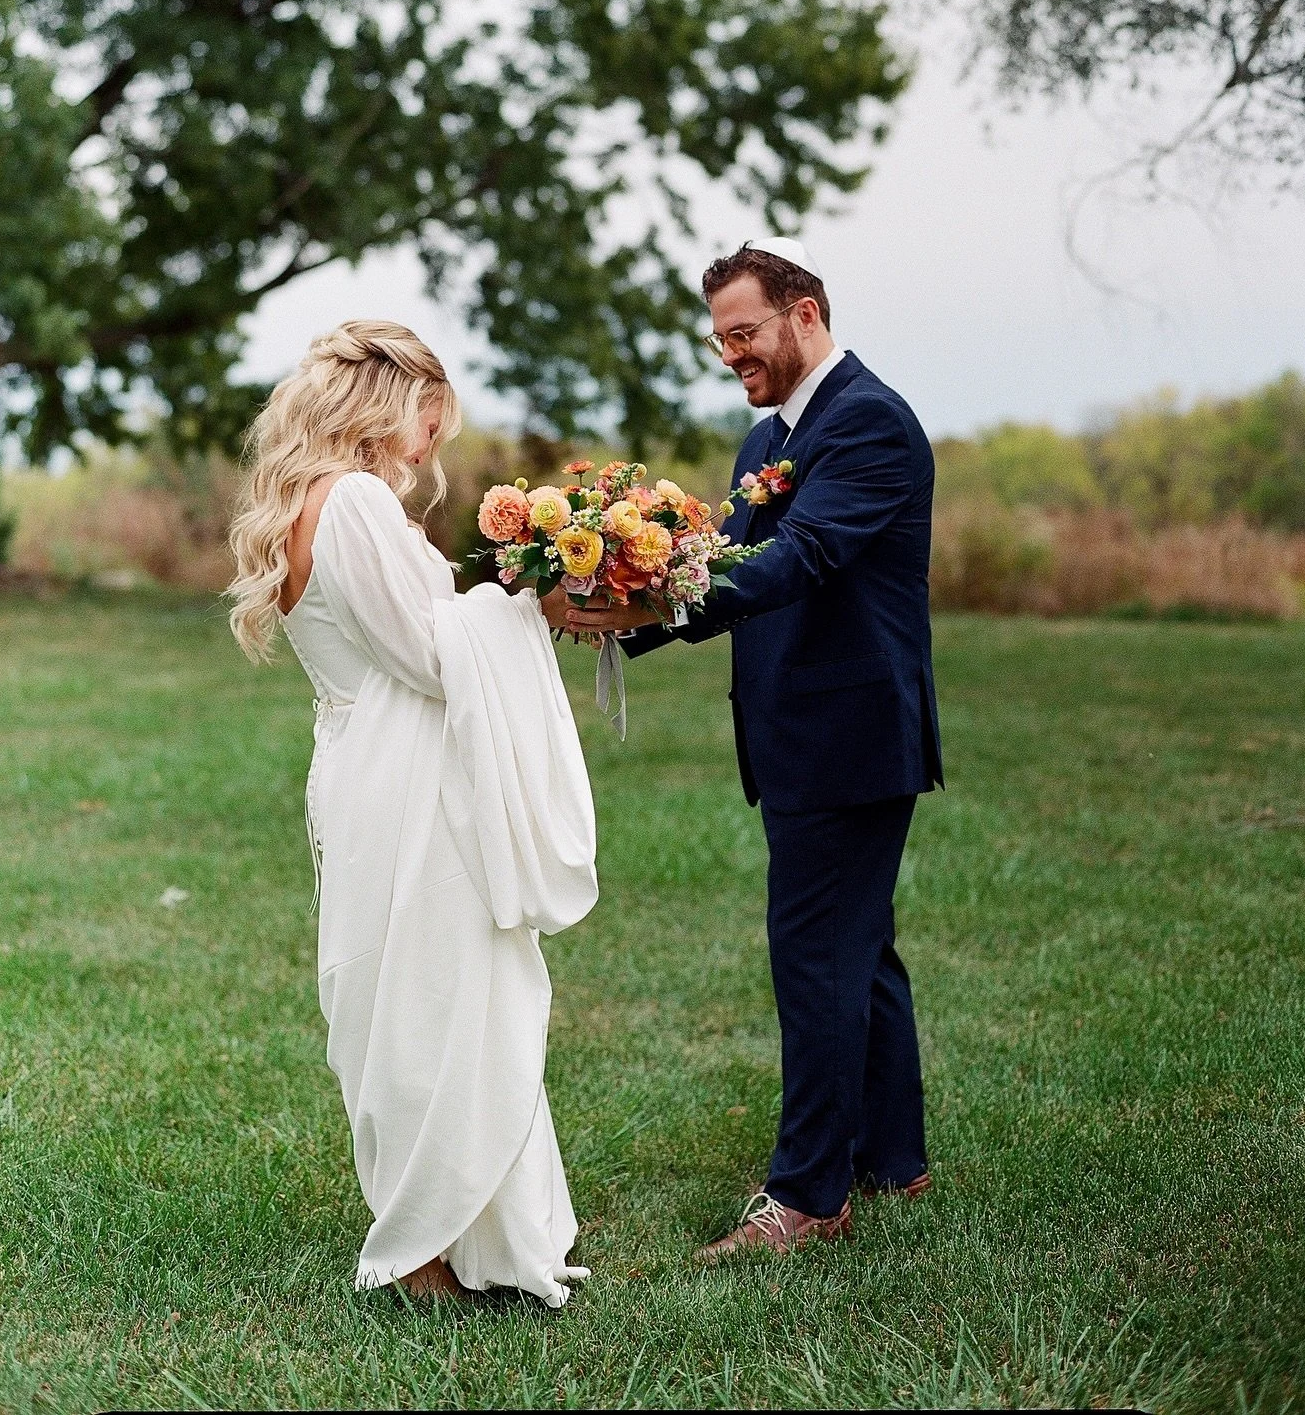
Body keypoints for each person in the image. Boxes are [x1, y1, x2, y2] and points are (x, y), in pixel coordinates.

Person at [566, 239, 943, 1262]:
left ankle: (809, 1197)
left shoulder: (867, 422)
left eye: (745, 332)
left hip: (849, 734)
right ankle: (889, 1158)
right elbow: (732, 569)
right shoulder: (766, 438)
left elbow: (803, 557)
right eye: (719, 339)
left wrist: (658, 594)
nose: (731, 354)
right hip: (799, 735)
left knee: (817, 960)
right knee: (858, 953)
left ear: (805, 313)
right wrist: (624, 616)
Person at [226, 320, 596, 1305]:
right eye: (433, 421)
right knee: (427, 1002)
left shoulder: (323, 502)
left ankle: (463, 1239)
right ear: (392, 411)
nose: (434, 446)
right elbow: (431, 657)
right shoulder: (348, 504)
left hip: (369, 761)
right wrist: (526, 602)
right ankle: (422, 1249)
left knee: (415, 996)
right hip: (403, 779)